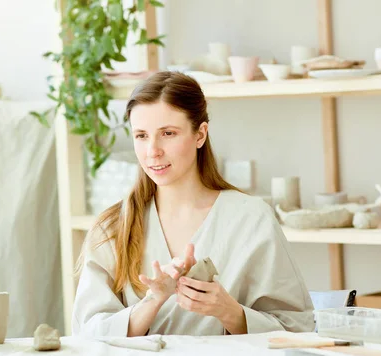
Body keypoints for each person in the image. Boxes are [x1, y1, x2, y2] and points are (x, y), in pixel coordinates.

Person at [71, 71, 315, 337]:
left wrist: (229, 311)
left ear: (200, 134)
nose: (153, 150)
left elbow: (297, 328)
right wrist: (153, 300)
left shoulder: (252, 218)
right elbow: (87, 334)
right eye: (141, 135)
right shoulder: (113, 227)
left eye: (168, 133)